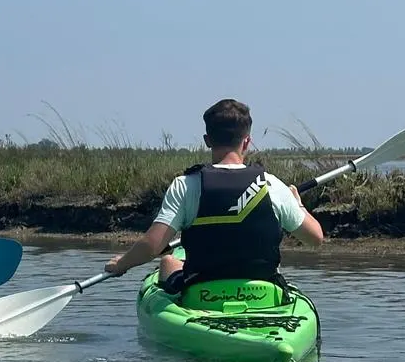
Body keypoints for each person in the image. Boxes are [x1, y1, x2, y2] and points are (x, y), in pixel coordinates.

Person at [105, 98, 324, 291]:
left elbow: (151, 246)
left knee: (169, 262)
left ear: (207, 140)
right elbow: (315, 239)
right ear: (247, 141)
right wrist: (299, 204)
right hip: (262, 292)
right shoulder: (272, 185)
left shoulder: (186, 186)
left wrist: (121, 264)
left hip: (201, 292)